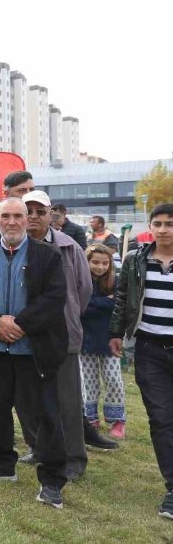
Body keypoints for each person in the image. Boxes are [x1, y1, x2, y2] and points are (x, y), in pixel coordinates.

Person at [0, 197, 69, 509]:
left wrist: (19, 324)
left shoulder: (47, 256)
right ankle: (1, 464)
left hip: (33, 350)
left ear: (28, 220)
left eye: (18, 216)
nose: (12, 222)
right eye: (5, 216)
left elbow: (54, 298)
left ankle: (51, 480)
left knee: (46, 415)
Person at [16, 191, 104, 482]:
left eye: (39, 212)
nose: (33, 217)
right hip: (23, 333)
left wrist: (66, 317)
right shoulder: (15, 245)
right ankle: (40, 448)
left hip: (61, 334)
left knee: (66, 399)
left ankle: (75, 458)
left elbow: (84, 290)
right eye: (27, 211)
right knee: (28, 397)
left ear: (50, 214)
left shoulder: (69, 247)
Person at [110, 203, 173, 520]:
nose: (163, 229)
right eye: (157, 223)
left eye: (170, 224)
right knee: (162, 418)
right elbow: (122, 298)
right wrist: (116, 332)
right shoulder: (137, 260)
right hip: (149, 349)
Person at [81, 244, 127, 439]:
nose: (100, 267)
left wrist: (97, 303)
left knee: (113, 379)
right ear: (87, 261)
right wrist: (105, 303)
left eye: (105, 263)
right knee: (88, 382)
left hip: (109, 339)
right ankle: (90, 417)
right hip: (85, 338)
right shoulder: (81, 281)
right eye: (95, 262)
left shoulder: (115, 282)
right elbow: (81, 306)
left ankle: (117, 419)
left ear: (110, 264)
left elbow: (119, 303)